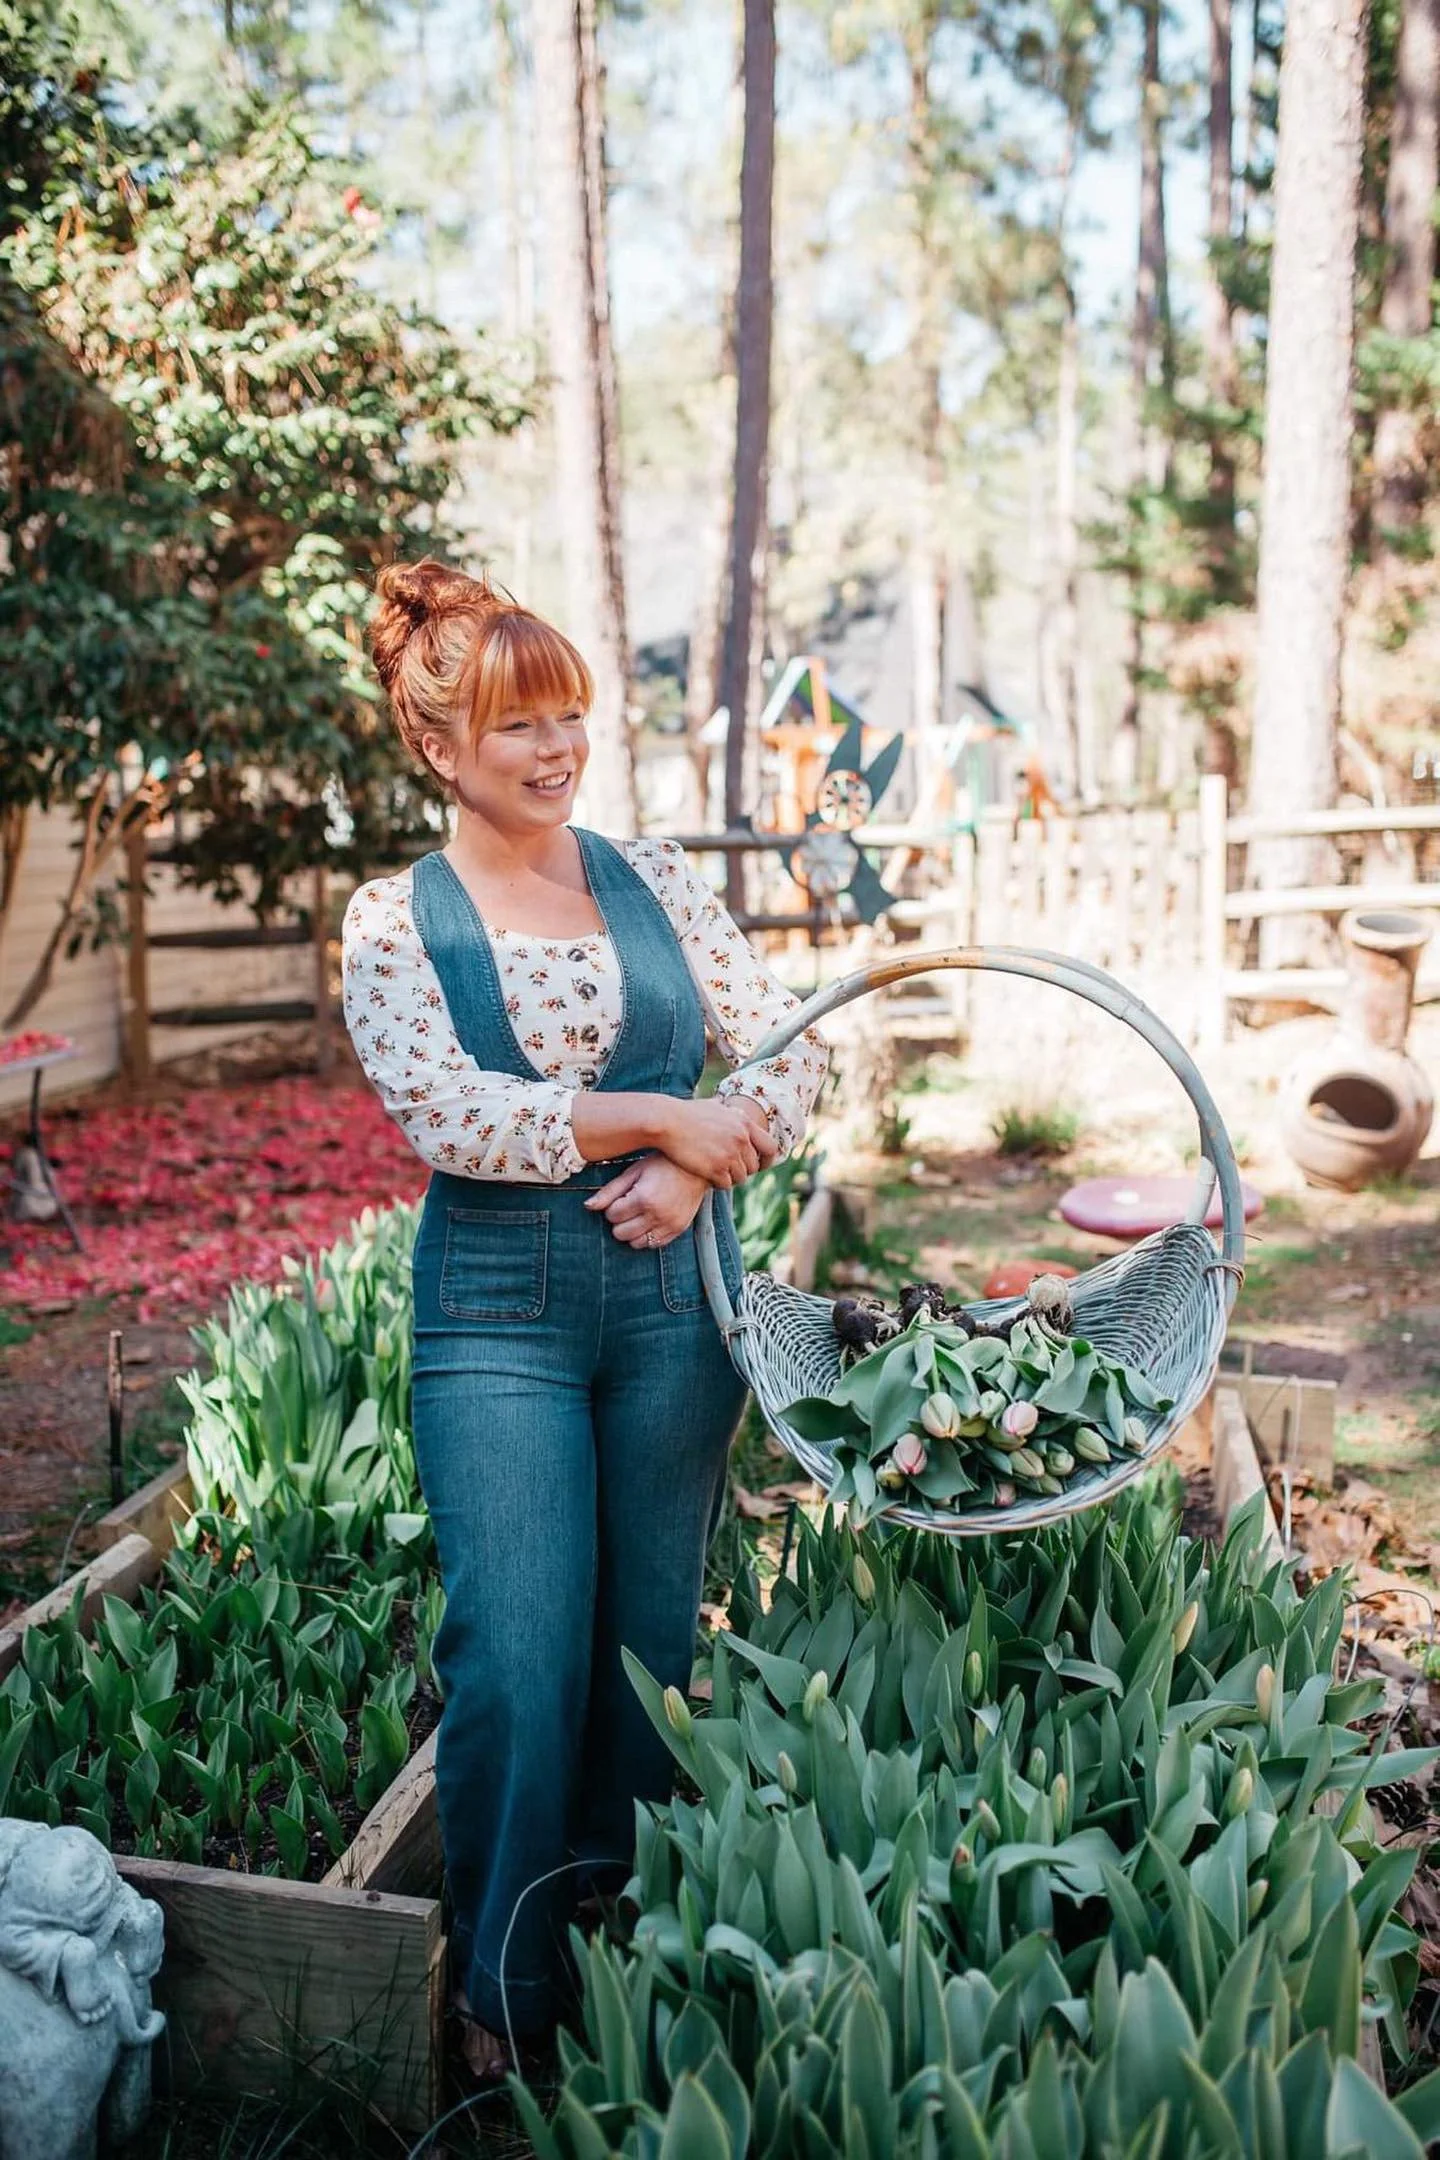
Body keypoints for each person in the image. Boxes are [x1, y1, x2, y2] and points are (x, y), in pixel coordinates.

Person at [342, 560, 828, 2080]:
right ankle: (501, 1987)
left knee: (648, 1648)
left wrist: (696, 1175)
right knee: (515, 1652)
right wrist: (660, 1124)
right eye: (517, 730)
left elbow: (798, 1055)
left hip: (677, 1311)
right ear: (437, 747)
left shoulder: (661, 879)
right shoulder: (394, 921)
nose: (557, 753)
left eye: (572, 718)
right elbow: (451, 1111)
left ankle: (627, 1956)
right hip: (498, 1317)